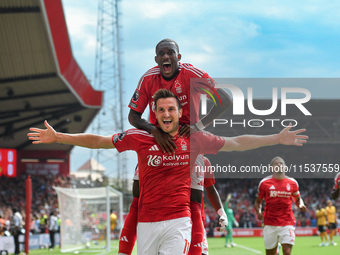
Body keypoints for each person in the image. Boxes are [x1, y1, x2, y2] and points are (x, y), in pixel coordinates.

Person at [28, 89, 308, 255]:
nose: (166, 113)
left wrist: (275, 138)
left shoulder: (195, 140)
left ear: (178, 111)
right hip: (147, 224)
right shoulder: (139, 138)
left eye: (171, 109)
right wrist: (59, 137)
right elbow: (99, 141)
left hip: (179, 220)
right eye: (161, 109)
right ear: (154, 113)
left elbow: (236, 143)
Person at [122, 38, 233, 255]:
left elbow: (225, 99)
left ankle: (198, 249)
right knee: (139, 196)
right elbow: (133, 116)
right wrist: (154, 131)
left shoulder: (192, 75)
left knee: (193, 200)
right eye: (161, 53)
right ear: (156, 59)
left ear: (178, 57)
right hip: (157, 143)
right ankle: (124, 250)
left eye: (170, 52)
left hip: (189, 144)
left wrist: (197, 126)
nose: (166, 56)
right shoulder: (148, 79)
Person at [254, 156, 307, 255]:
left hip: (287, 222)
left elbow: (298, 199)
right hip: (270, 223)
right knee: (271, 253)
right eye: (276, 163)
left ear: (285, 167)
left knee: (287, 252)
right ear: (271, 168)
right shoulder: (264, 183)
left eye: (281, 163)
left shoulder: (293, 183)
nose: (279, 165)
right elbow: (258, 201)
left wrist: (301, 205)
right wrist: (258, 212)